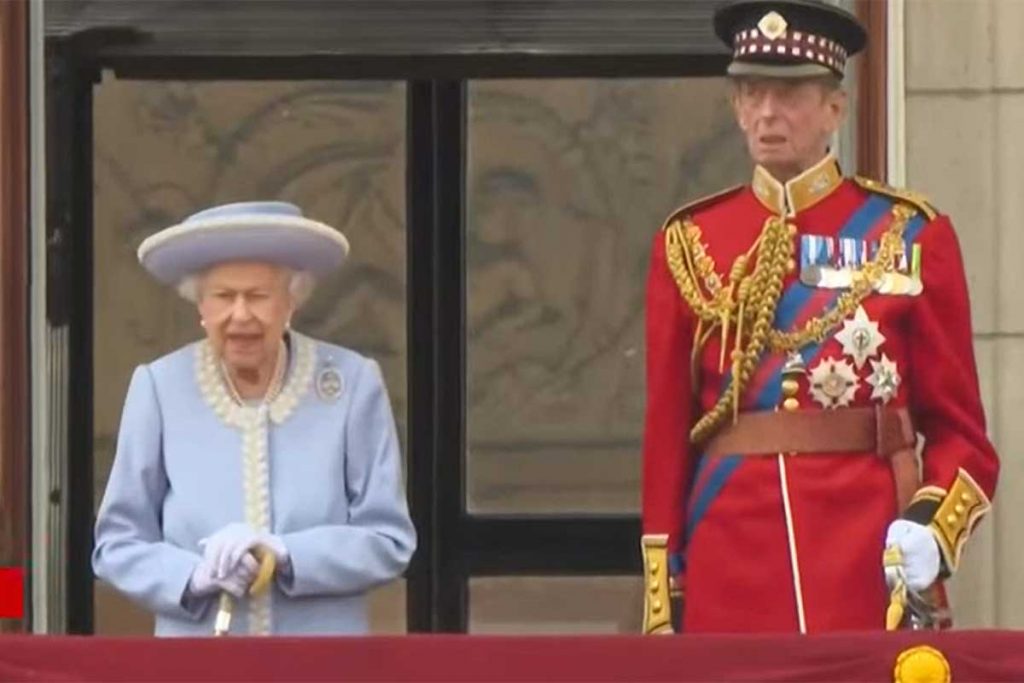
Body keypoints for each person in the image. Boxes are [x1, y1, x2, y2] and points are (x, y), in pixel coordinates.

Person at [640, 0, 999, 634]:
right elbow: (668, 436)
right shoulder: (691, 242)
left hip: (865, 560)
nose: (767, 113)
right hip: (730, 560)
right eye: (751, 93)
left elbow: (962, 435)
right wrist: (664, 600)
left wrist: (933, 530)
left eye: (790, 94)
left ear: (835, 109)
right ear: (735, 106)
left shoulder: (910, 235)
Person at [93, 201, 416, 636]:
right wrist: (191, 576)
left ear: (291, 303)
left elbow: (388, 540)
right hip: (200, 662)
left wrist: (286, 553)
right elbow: (116, 544)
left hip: (319, 662)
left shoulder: (352, 383)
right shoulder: (159, 387)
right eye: (224, 297)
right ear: (201, 307)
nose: (240, 314)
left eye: (258, 296)